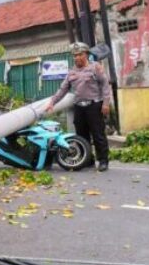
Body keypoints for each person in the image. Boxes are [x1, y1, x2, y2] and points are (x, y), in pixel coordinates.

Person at [46, 42, 112, 172]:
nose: (77, 58)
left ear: (86, 55)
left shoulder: (95, 68)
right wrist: (52, 102)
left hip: (94, 106)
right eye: (75, 55)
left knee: (98, 135)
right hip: (79, 107)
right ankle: (88, 160)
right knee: (81, 135)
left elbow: (105, 85)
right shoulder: (71, 72)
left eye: (80, 55)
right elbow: (63, 89)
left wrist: (105, 103)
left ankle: (103, 161)